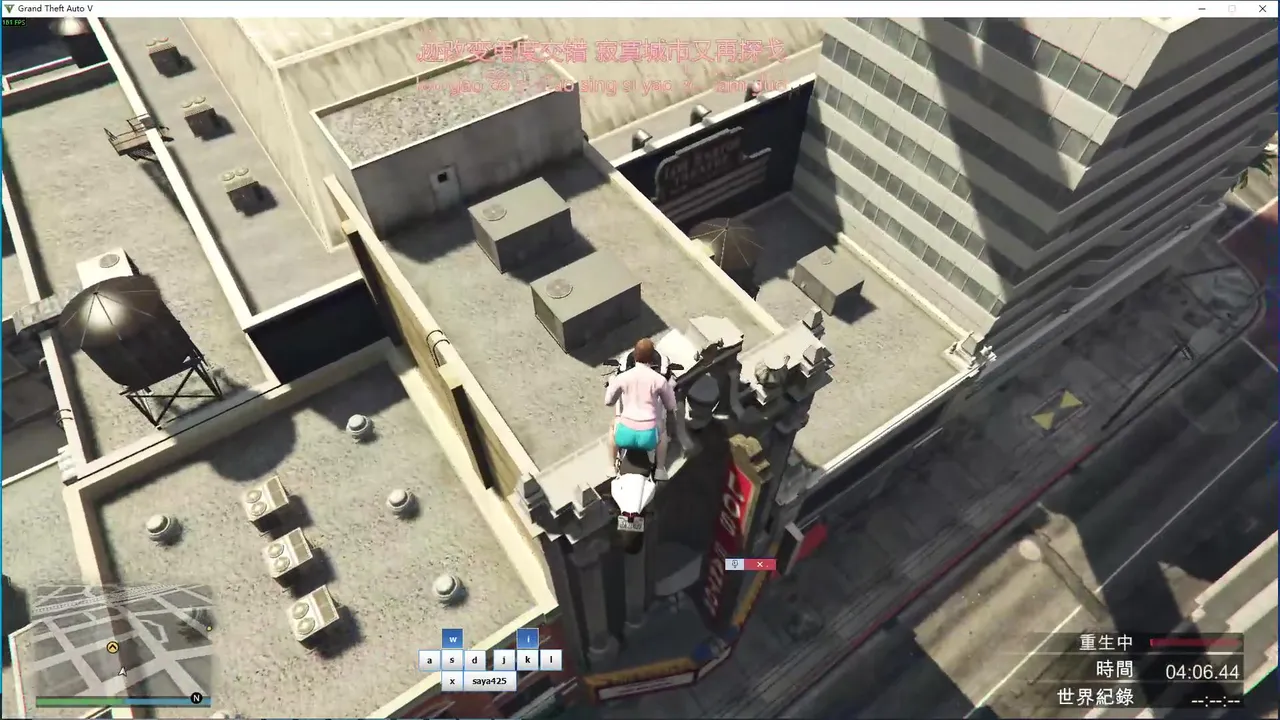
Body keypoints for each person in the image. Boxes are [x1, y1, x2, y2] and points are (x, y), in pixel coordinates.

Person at [605, 338, 677, 480]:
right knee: (663, 431)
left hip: (624, 434)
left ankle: (611, 467)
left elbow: (609, 402)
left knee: (613, 427)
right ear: (652, 358)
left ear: (635, 355)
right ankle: (660, 469)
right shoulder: (659, 380)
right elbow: (670, 406)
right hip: (648, 437)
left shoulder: (623, 377)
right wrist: (670, 387)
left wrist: (612, 383)